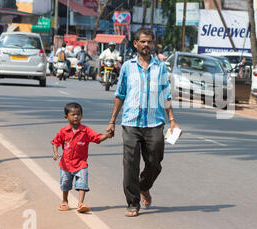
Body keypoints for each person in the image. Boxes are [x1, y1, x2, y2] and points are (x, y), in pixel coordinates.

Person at [105, 27, 181, 217]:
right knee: (130, 164)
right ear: (136, 44)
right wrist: (112, 121)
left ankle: (144, 186)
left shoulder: (161, 67)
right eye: (143, 41)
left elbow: (166, 94)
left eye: (150, 42)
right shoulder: (127, 67)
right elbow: (120, 94)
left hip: (154, 123)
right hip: (131, 122)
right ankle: (132, 203)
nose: (147, 45)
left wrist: (172, 120)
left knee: (155, 161)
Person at [52, 102, 110, 213]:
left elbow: (97, 138)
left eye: (78, 114)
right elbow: (55, 142)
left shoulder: (86, 131)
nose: (76, 117)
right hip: (66, 164)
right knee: (65, 183)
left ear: (81, 116)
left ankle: (80, 204)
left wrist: (107, 135)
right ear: (66, 117)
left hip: (81, 164)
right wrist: (56, 153)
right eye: (73, 114)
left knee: (83, 183)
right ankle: (64, 201)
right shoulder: (63, 131)